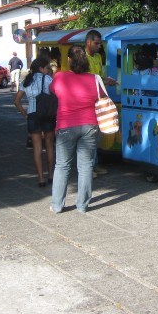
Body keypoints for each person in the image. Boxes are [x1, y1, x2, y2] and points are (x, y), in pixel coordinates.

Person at [50, 45, 101, 213]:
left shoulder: (59, 78)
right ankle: (82, 205)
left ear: (69, 60)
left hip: (66, 126)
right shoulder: (94, 78)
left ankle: (57, 205)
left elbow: (52, 92)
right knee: (86, 166)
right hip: (89, 125)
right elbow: (101, 98)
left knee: (62, 165)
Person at [14, 57, 55, 187]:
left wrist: (25, 115)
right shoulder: (48, 79)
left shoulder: (26, 81)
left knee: (37, 148)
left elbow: (16, 101)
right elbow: (55, 94)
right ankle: (51, 176)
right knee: (49, 146)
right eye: (46, 68)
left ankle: (40, 179)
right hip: (47, 115)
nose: (47, 70)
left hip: (32, 114)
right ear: (41, 68)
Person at [85, 30, 115, 177]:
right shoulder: (81, 57)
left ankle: (94, 164)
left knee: (96, 133)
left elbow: (98, 77)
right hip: (86, 101)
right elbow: (86, 79)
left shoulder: (97, 57)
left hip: (98, 100)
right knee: (88, 135)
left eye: (100, 43)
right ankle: (88, 167)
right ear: (88, 42)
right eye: (96, 43)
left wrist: (106, 80)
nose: (99, 46)